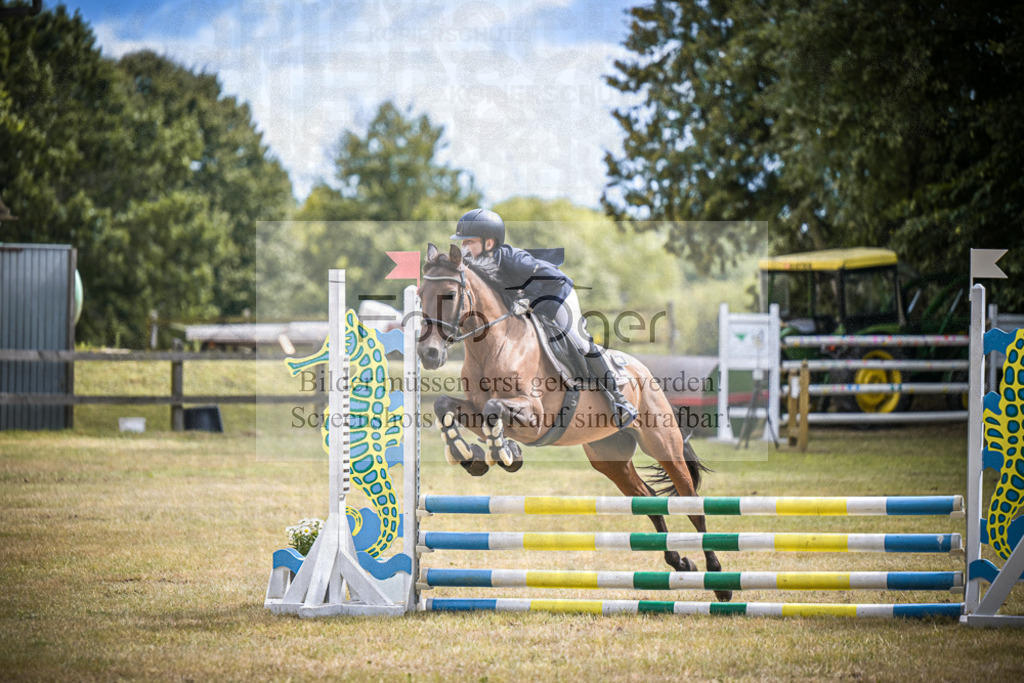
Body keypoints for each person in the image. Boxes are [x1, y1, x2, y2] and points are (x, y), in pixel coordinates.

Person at [450, 208, 639, 429]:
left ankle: (619, 399)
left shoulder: (516, 261)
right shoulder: (474, 266)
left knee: (579, 340)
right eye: (462, 243)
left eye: (468, 242)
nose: (464, 248)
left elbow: (555, 280)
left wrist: (526, 298)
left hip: (557, 294)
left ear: (489, 244)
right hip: (525, 305)